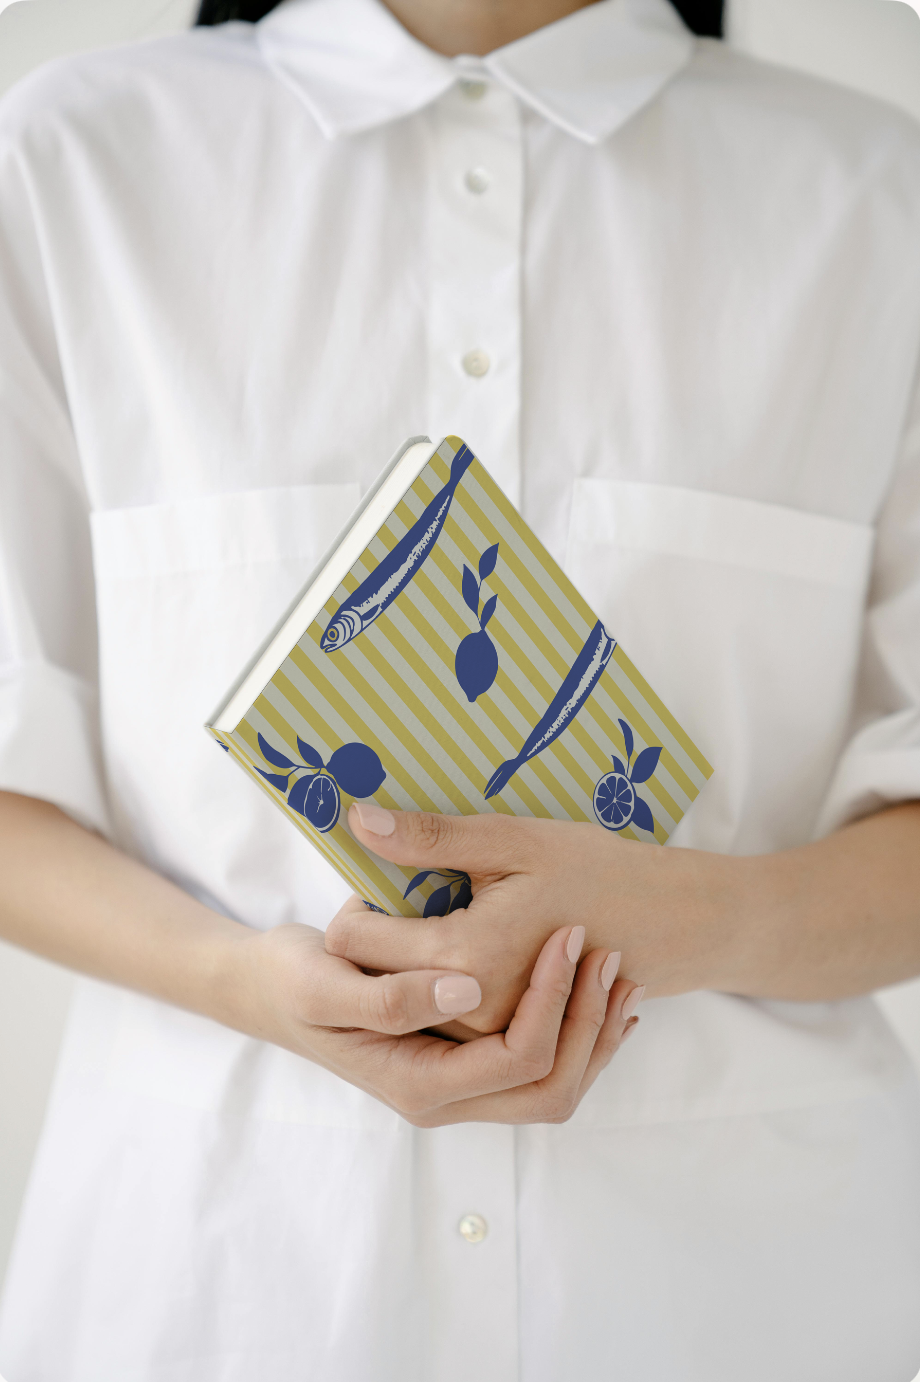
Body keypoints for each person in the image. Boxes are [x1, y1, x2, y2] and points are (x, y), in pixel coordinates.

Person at [1, 0, 919, 1376]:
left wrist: (686, 919)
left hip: (749, 1305)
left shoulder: (874, 196)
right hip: (221, 1293)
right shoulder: (70, 162)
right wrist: (247, 983)